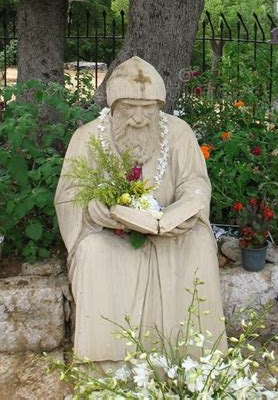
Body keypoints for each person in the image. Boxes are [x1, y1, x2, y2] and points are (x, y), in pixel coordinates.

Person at [55, 56, 227, 363]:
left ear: (159, 106)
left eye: (147, 108)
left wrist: (187, 209)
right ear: (113, 104)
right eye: (129, 107)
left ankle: (191, 357)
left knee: (199, 242)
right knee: (93, 252)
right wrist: (93, 208)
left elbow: (196, 182)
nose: (138, 118)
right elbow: (70, 194)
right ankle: (107, 361)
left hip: (170, 231)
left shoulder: (179, 132)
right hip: (111, 234)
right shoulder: (88, 137)